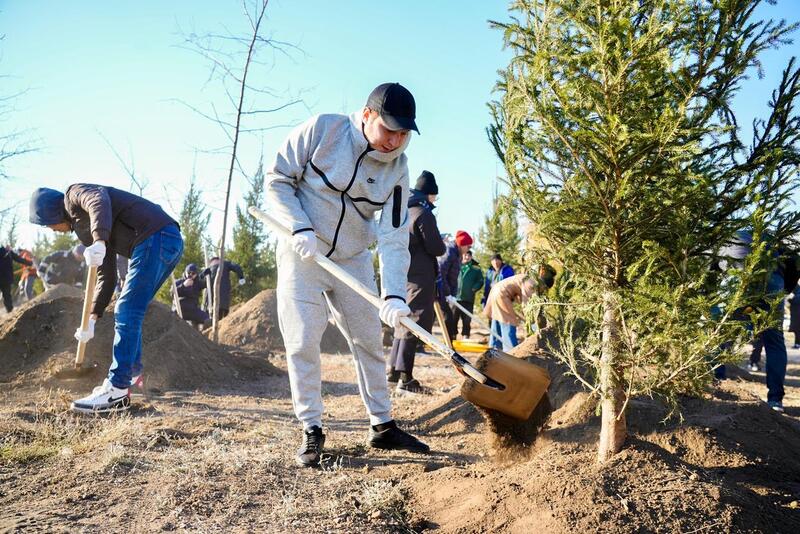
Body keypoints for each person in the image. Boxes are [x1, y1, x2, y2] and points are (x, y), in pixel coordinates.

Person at [265, 81, 429, 467]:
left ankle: (382, 425)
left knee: (368, 339)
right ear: (367, 115)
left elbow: (393, 235)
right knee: (303, 340)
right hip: (303, 252)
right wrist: (298, 226)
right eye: (389, 130)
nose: (395, 141)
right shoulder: (323, 131)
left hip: (352, 258)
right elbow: (277, 179)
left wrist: (394, 294)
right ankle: (312, 427)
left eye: (403, 134)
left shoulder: (399, 169)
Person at [29, 184, 183, 413]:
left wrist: (99, 241)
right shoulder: (86, 229)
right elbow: (106, 276)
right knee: (131, 308)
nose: (51, 230)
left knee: (127, 309)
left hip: (155, 236)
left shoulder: (74, 194)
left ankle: (117, 389)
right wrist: (92, 318)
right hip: (165, 242)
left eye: (47, 224)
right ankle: (132, 376)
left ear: (52, 213)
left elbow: (98, 200)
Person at [387, 170, 446, 393]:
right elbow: (436, 247)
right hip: (421, 275)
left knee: (402, 319)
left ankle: (393, 371)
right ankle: (406, 378)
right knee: (414, 321)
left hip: (405, 272)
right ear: (429, 193)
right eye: (435, 196)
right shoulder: (423, 213)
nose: (435, 200)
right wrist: (442, 244)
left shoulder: (406, 210)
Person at [718, 230, 787, 412]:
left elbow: (714, 265)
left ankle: (716, 383)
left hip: (736, 279)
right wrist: (783, 289)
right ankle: (775, 400)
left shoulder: (729, 235)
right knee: (774, 342)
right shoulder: (772, 239)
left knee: (722, 333)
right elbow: (792, 265)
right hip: (772, 281)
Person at [484, 265, 555, 351]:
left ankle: (494, 347)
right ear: (543, 284)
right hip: (501, 294)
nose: (543, 291)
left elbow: (520, 297)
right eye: (545, 288)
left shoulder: (529, 278)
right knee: (508, 322)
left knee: (498, 319)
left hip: (496, 290)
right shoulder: (531, 284)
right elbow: (527, 305)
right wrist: (533, 325)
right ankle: (510, 350)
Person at [438, 230, 473, 340]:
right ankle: (447, 344)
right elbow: (441, 273)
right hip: (437, 290)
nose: (469, 249)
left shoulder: (458, 254)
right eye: (468, 246)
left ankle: (449, 344)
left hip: (445, 292)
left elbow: (453, 277)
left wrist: (452, 295)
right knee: (447, 317)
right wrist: (447, 293)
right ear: (462, 244)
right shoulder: (449, 251)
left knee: (448, 317)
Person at [453, 250, 483, 339]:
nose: (467, 257)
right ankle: (452, 334)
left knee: (467, 319)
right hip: (455, 298)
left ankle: (465, 335)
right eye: (465, 255)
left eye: (469, 256)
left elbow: (480, 281)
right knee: (454, 318)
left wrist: (474, 288)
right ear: (462, 255)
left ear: (471, 257)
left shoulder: (476, 268)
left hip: (468, 298)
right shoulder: (456, 265)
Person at [175, 263, 211, 329]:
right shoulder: (178, 282)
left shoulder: (197, 283)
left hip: (193, 311)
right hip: (180, 310)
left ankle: (203, 334)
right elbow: (172, 293)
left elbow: (206, 283)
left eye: (193, 273)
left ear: (196, 274)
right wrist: (183, 285)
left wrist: (207, 275)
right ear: (185, 272)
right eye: (189, 273)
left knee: (208, 320)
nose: (190, 275)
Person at [0, 245, 33, 313]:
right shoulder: (8, 251)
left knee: (7, 295)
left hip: (6, 278)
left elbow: (18, 259)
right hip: (6, 277)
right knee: (7, 295)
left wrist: (29, 263)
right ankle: (9, 310)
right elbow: (18, 259)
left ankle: (9, 310)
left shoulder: (8, 251)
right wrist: (30, 263)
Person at [788, 283, 800, 350]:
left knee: (797, 332)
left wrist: (790, 300)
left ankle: (797, 344)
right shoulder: (797, 294)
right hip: (796, 317)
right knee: (797, 332)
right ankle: (797, 344)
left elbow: (793, 301)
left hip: (797, 318)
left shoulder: (797, 295)